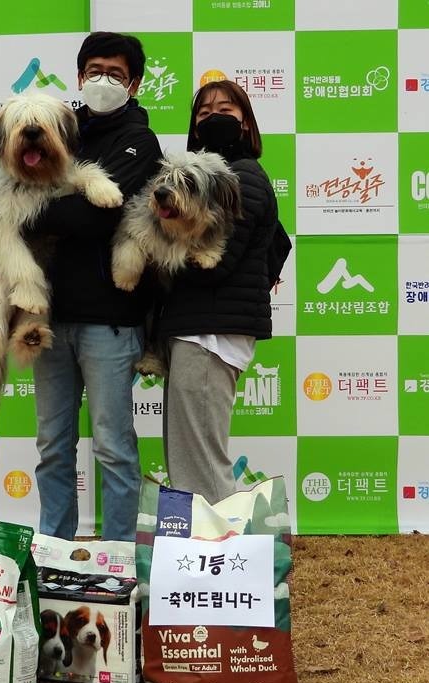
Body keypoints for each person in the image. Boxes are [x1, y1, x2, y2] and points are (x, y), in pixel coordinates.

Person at [0, 32, 162, 541]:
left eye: (116, 73)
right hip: (46, 322)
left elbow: (96, 217)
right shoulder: (53, 120)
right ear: (78, 76)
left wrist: (16, 214)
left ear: (135, 82)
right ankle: (53, 548)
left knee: (114, 446)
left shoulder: (138, 141)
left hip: (108, 321)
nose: (103, 80)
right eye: (94, 70)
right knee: (53, 443)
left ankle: (118, 560)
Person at [157, 80, 284, 505]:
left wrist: (160, 252)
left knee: (201, 463)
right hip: (199, 329)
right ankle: (205, 557)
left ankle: (227, 557)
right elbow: (279, 243)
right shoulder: (203, 181)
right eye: (203, 112)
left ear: (246, 122)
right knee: (190, 456)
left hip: (210, 333)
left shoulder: (242, 176)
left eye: (226, 109)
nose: (214, 117)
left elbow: (217, 262)